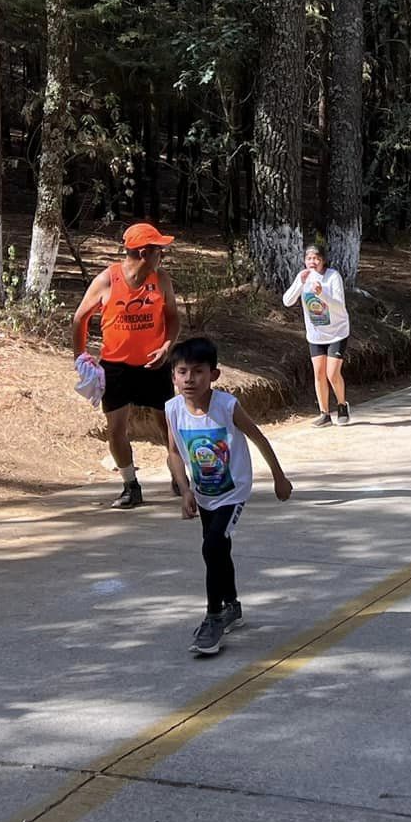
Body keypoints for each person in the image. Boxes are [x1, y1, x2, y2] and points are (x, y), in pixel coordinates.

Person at [163, 337, 293, 655]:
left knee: (213, 546)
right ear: (173, 376)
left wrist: (279, 477)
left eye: (198, 372)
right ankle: (232, 604)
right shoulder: (172, 409)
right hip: (205, 492)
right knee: (219, 549)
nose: (190, 379)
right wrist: (185, 490)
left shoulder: (227, 406)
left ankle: (214, 617)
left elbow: (259, 438)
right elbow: (173, 452)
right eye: (182, 372)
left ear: (214, 375)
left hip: (233, 491)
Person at [71, 222, 183, 509]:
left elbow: (172, 317)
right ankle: (130, 486)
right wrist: (80, 356)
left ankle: (179, 476)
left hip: (154, 364)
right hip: (116, 367)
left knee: (167, 423)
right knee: (116, 428)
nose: (162, 256)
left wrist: (167, 345)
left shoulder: (162, 279)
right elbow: (80, 318)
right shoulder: (108, 280)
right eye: (160, 251)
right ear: (145, 252)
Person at [282, 244, 352, 427]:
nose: (312, 262)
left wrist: (323, 295)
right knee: (319, 374)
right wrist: (299, 282)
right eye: (309, 258)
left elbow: (339, 306)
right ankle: (324, 414)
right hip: (316, 335)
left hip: (337, 332)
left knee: (332, 373)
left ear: (323, 260)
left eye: (316, 258)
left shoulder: (333, 277)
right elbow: (287, 301)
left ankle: (342, 406)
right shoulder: (303, 277)